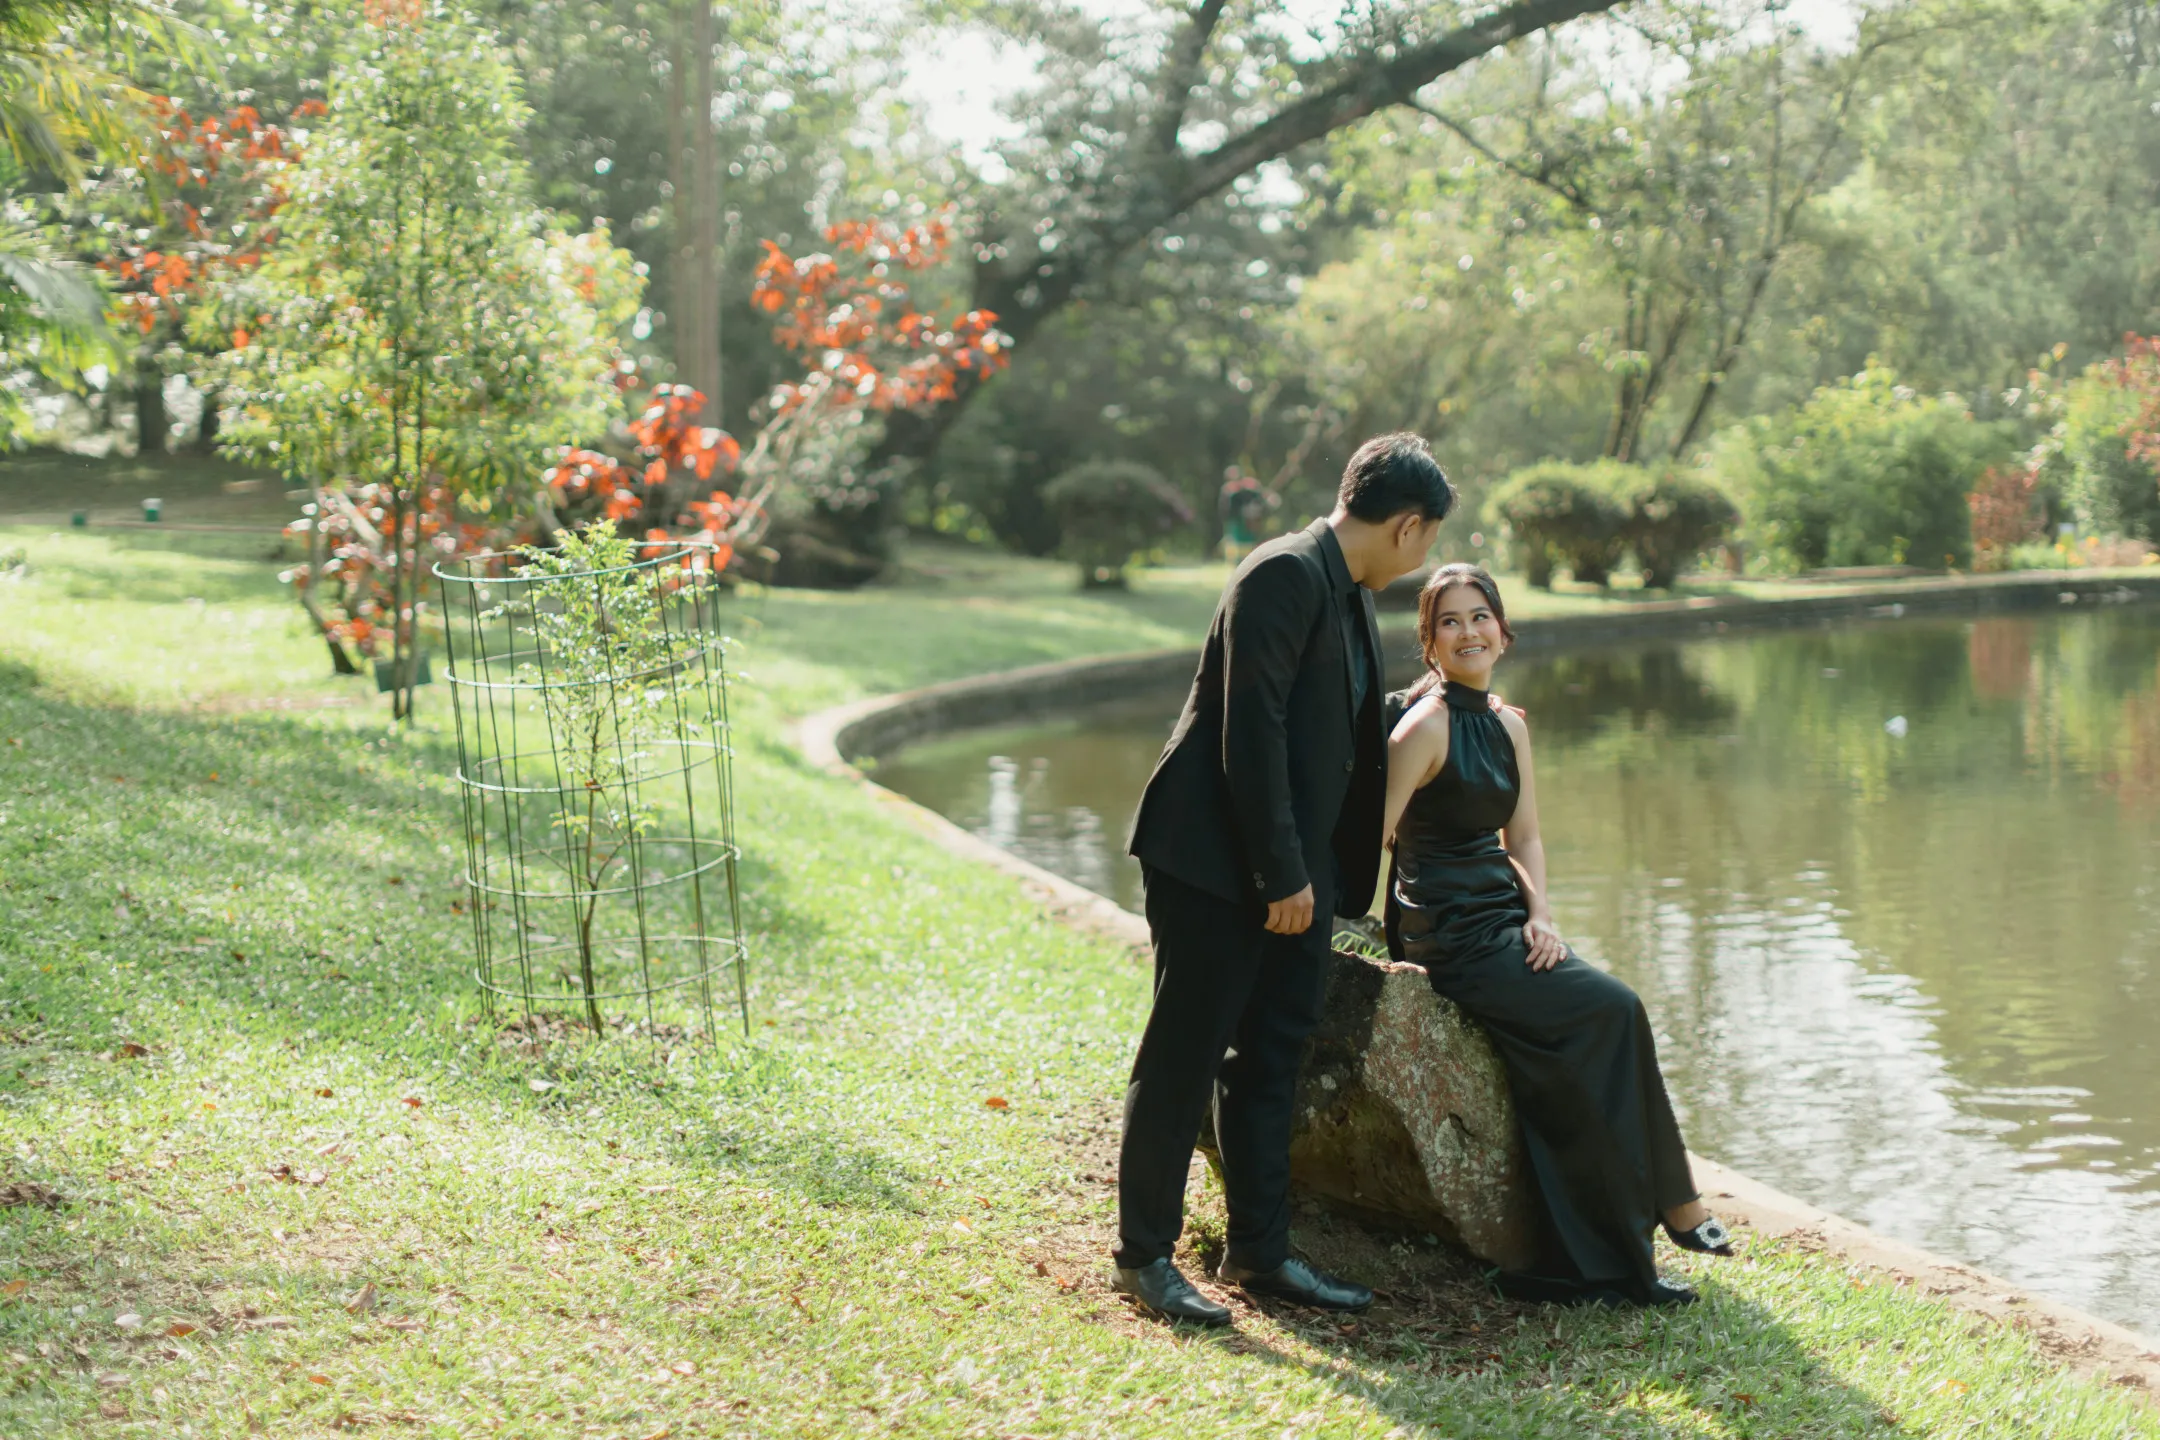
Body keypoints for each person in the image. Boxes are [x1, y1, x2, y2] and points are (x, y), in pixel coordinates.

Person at [1114, 433, 1455, 1326]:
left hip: (1295, 875)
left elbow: (1327, 724)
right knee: (1184, 1056)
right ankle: (1143, 1257)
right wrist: (1280, 874)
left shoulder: (1348, 592)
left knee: (1270, 1059)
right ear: (1408, 525)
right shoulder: (1281, 573)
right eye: (1428, 539)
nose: (1424, 556)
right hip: (1215, 866)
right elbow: (1251, 733)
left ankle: (1260, 1252)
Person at [1381, 563, 1736, 1308]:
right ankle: (1672, 1213)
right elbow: (1371, 837)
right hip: (1448, 932)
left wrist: (1541, 915)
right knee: (1615, 1010)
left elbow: (1526, 839)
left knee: (1597, 1033)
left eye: (1480, 616)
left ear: (1503, 632)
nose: (1468, 631)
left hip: (1504, 917)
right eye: (1449, 621)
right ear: (1429, 643)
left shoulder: (1508, 725)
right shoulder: (1423, 728)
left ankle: (1601, 1255)